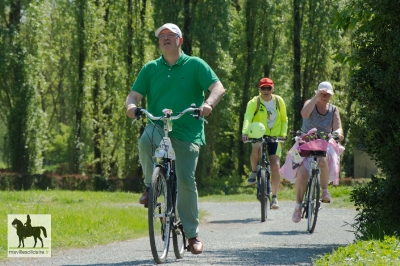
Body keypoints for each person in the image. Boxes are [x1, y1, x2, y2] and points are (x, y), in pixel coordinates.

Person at [125, 23, 225, 254]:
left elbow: (218, 87)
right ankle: (151, 187)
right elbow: (134, 95)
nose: (166, 39)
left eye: (171, 35)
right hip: (159, 125)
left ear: (180, 40)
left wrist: (208, 104)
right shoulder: (150, 68)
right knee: (145, 140)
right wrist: (131, 106)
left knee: (186, 181)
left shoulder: (195, 65)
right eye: (162, 36)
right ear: (159, 42)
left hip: (188, 130)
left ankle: (192, 235)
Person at [279, 81, 345, 223]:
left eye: (328, 94)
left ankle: (324, 191)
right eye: (322, 93)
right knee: (302, 173)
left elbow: (338, 127)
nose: (325, 96)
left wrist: (338, 134)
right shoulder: (310, 103)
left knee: (322, 159)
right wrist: (316, 96)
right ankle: (298, 206)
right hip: (305, 142)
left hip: (323, 142)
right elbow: (304, 114)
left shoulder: (333, 109)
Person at [241, 77, 288, 209]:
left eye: (269, 88)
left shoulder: (279, 101)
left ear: (273, 88)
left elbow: (284, 119)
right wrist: (245, 132)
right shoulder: (254, 102)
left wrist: (283, 135)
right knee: (256, 148)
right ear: (259, 89)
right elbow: (248, 117)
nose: (266, 90)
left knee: (275, 164)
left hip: (275, 135)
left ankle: (274, 197)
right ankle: (254, 171)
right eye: (263, 88)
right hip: (258, 134)